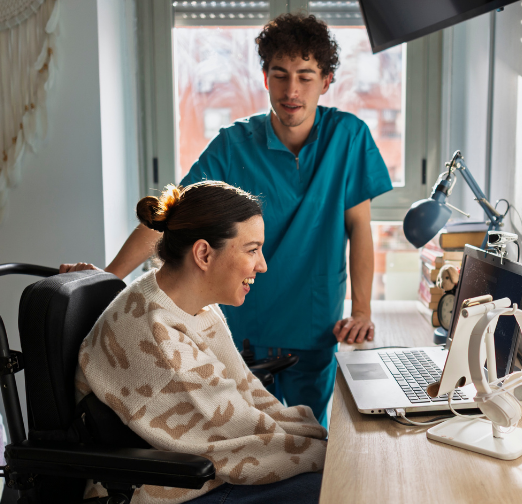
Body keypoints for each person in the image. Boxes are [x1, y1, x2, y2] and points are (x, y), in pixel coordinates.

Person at [63, 13, 393, 427]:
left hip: (315, 323)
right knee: (249, 432)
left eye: (306, 76)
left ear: (326, 81)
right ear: (265, 76)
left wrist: (361, 311)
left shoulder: (349, 137)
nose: (292, 90)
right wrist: (109, 279)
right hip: (246, 329)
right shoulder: (234, 144)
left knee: (316, 434)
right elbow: (171, 217)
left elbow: (359, 228)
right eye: (280, 74)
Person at [75, 182, 327, 504]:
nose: (262, 265)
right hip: (168, 487)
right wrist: (329, 453)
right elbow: (237, 441)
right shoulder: (158, 337)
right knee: (332, 488)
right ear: (204, 254)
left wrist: (315, 435)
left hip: (198, 463)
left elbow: (245, 392)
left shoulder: (181, 300)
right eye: (252, 250)